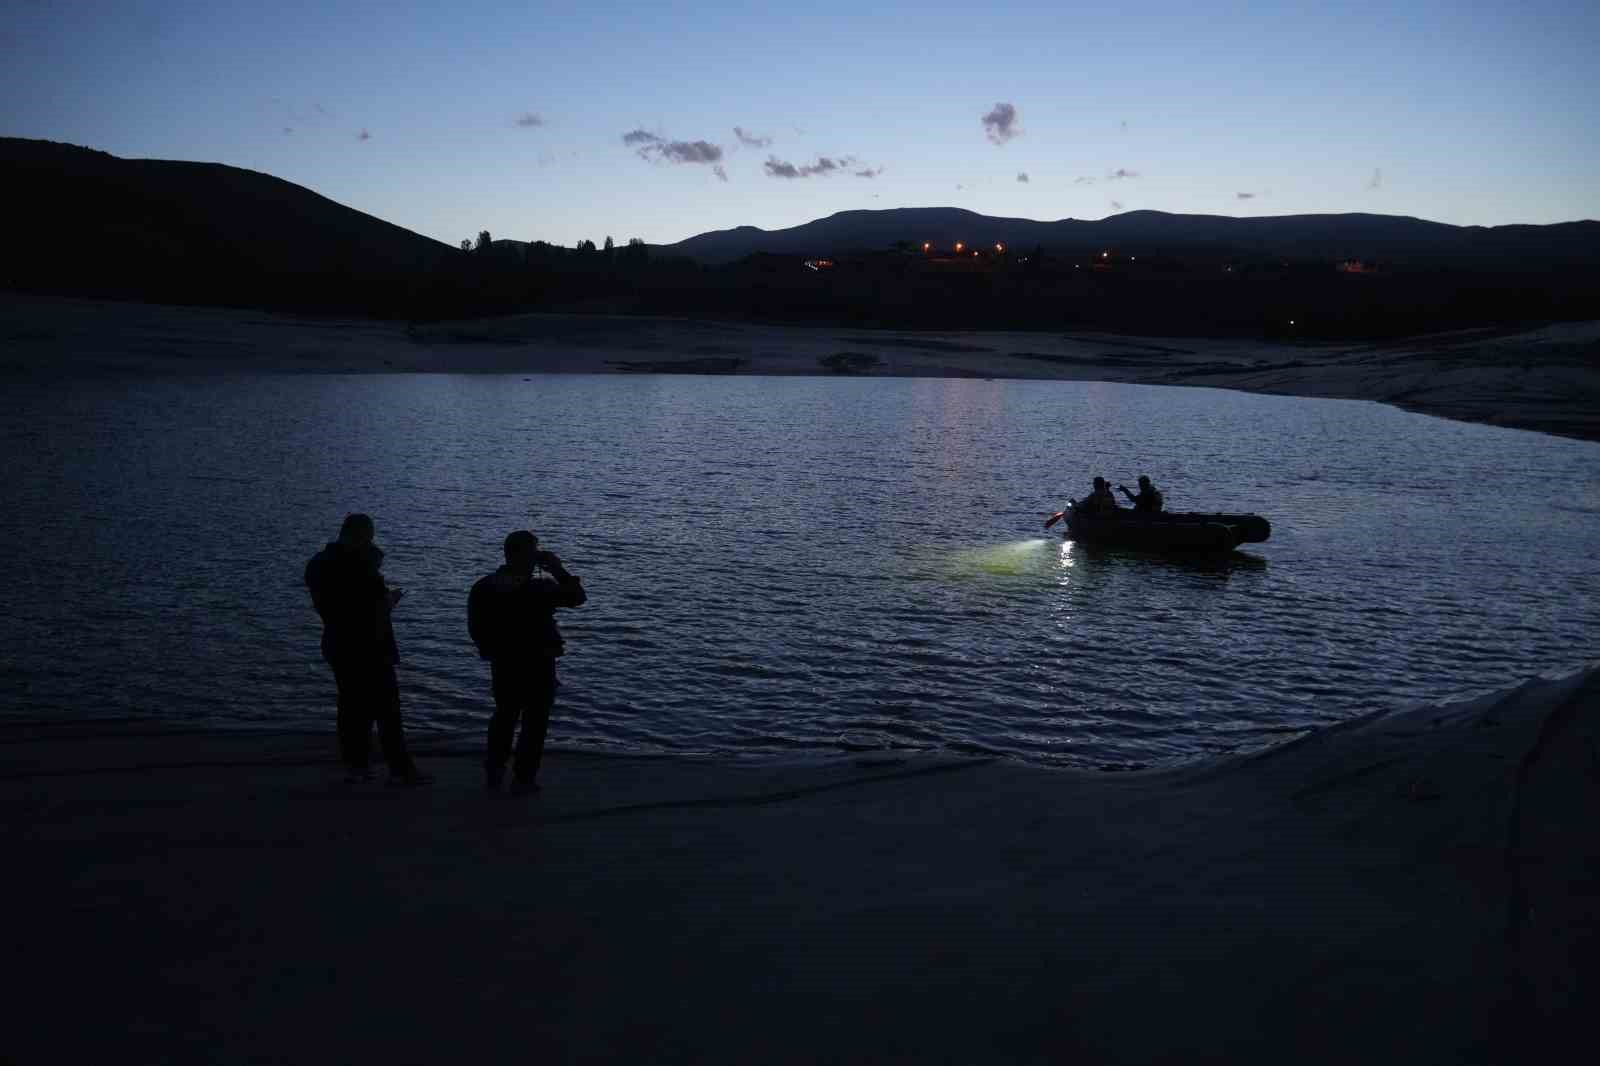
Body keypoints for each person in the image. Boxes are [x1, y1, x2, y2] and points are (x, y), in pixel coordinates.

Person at [304, 513, 429, 785]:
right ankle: (399, 768)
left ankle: (357, 765)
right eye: (369, 537)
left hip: (338, 642)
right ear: (361, 536)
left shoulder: (318, 565)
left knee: (351, 707)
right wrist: (391, 599)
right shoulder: (360, 568)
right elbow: (372, 607)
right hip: (370, 645)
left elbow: (331, 605)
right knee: (387, 709)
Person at [468, 531, 587, 794]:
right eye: (534, 552)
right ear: (525, 555)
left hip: (503, 662)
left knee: (504, 716)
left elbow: (476, 627)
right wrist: (557, 568)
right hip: (538, 662)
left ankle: (495, 770)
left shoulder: (484, 586)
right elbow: (577, 597)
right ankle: (523, 778)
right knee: (535, 722)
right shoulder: (539, 588)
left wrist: (490, 650)